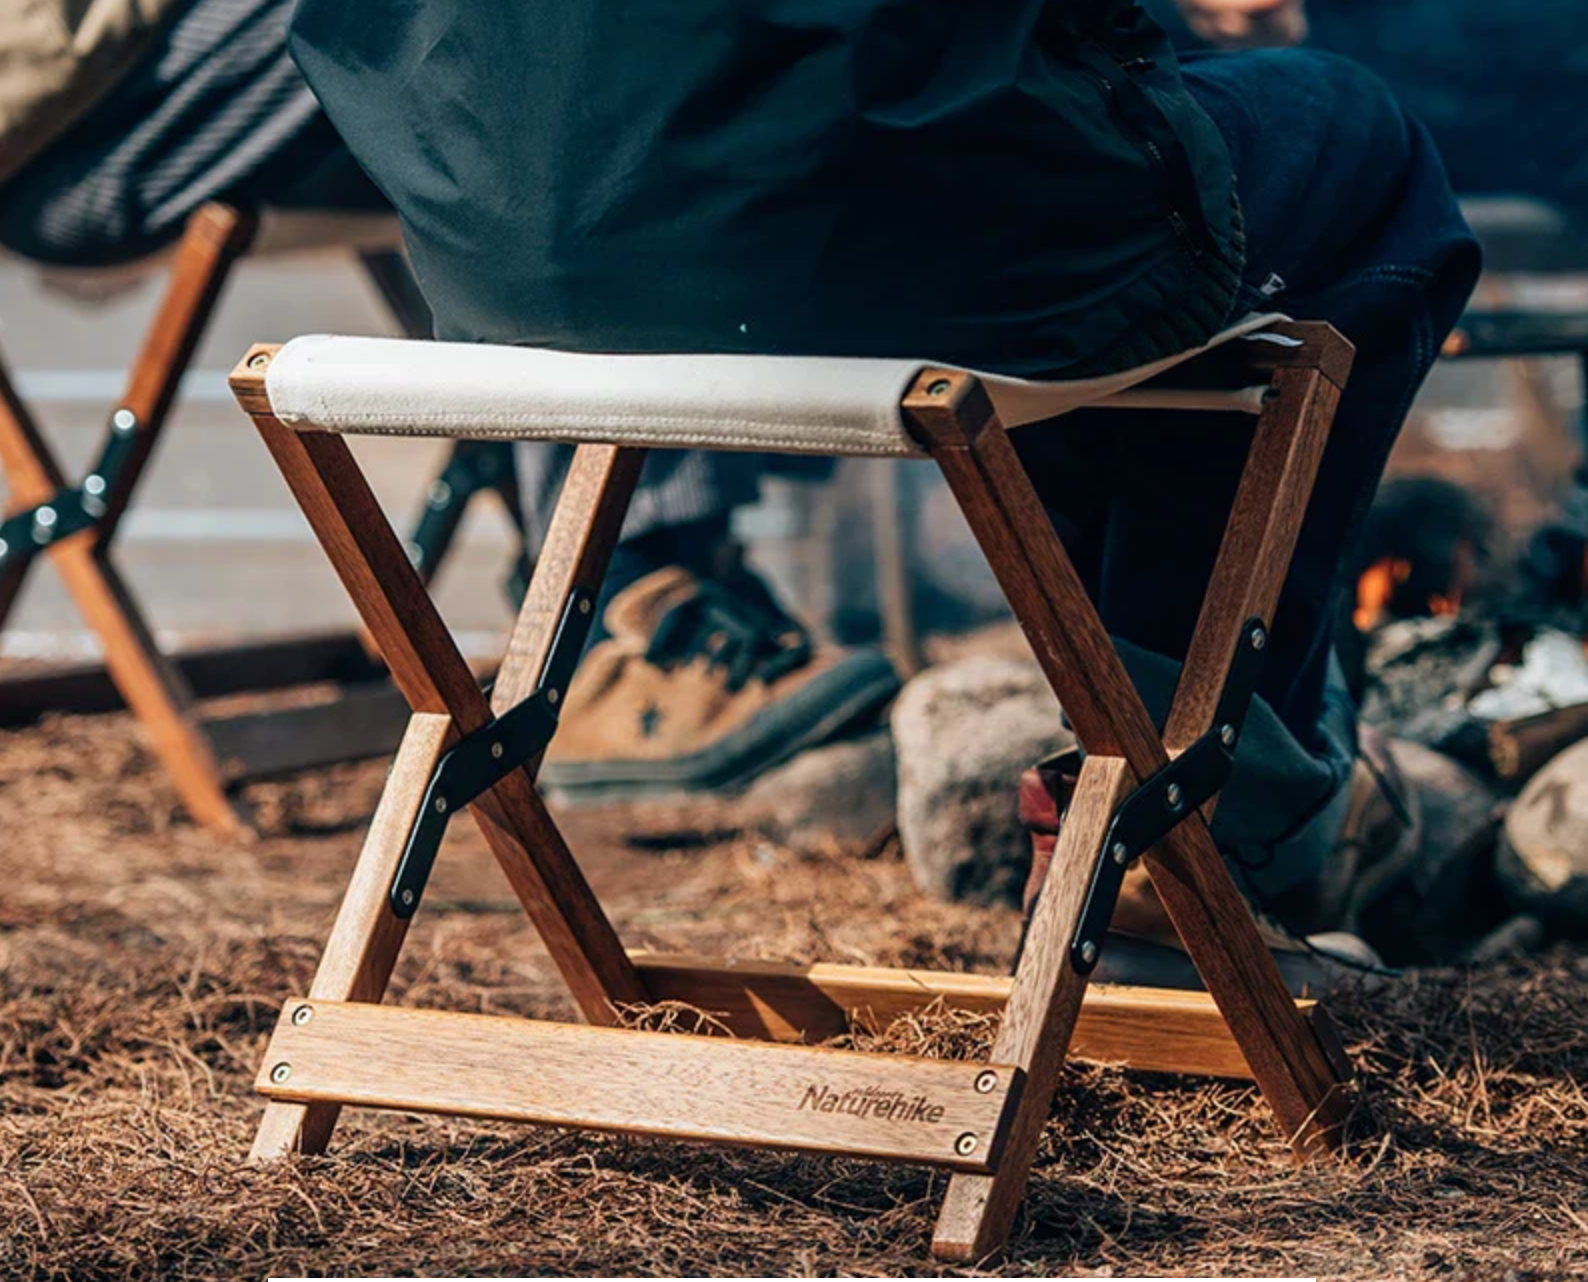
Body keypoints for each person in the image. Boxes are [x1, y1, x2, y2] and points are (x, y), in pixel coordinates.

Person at [286, 0, 1480, 977]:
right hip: (865, 215)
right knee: (1357, 150)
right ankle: (1194, 817)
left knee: (1110, 248)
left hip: (497, 250)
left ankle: (1150, 780)